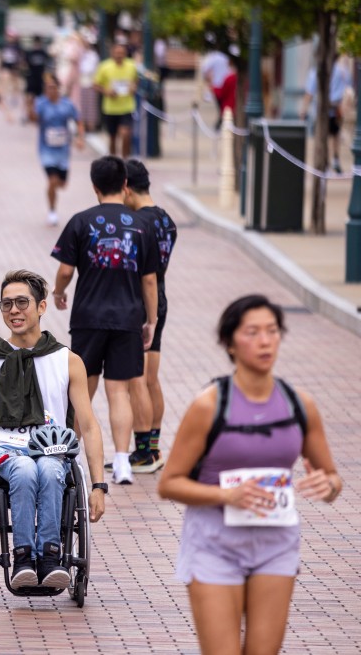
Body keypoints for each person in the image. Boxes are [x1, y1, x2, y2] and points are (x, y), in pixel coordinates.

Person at [158, 295, 341, 655]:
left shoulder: (299, 404)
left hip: (276, 546)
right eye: (253, 332)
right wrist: (226, 496)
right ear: (229, 342)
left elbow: (332, 477)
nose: (264, 341)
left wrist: (329, 485)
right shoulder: (209, 405)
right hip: (214, 545)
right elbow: (169, 483)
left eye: (272, 331)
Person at [0, 270, 106, 589]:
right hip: (2, 450)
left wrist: (99, 485)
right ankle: (23, 557)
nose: (14, 311)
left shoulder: (68, 361)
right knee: (23, 468)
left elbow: (89, 426)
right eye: (6, 304)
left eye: (22, 302)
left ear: (41, 307)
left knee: (50, 469)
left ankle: (50, 556)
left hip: (52, 449)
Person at [50, 155, 159, 485]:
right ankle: (123, 461)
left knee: (82, 389)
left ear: (95, 187)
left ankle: (68, 457)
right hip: (128, 317)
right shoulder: (142, 225)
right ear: (126, 185)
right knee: (119, 392)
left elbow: (66, 269)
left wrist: (58, 291)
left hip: (88, 316)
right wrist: (150, 320)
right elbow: (150, 280)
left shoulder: (81, 222)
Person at [123, 159, 177, 473]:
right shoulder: (166, 220)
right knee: (152, 379)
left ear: (127, 187)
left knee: (137, 381)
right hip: (161, 297)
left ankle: (143, 453)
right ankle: (154, 448)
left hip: (140, 300)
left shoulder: (137, 222)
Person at [29, 73, 85, 226]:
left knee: (62, 184)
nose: (50, 90)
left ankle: (55, 190)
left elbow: (78, 120)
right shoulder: (41, 103)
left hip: (63, 151)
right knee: (52, 181)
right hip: (46, 150)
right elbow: (34, 119)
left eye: (53, 87)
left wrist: (80, 138)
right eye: (48, 88)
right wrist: (30, 108)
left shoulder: (67, 104)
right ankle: (52, 211)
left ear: (59, 88)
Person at [302, 55, 351, 174]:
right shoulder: (342, 71)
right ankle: (335, 160)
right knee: (336, 135)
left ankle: (326, 164)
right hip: (337, 108)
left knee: (324, 137)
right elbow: (349, 90)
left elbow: (309, 93)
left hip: (323, 110)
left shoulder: (317, 71)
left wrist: (303, 110)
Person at [93, 43, 138, 157]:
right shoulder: (104, 66)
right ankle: (114, 162)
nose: (119, 55)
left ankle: (125, 161)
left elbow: (136, 80)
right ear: (112, 53)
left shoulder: (131, 65)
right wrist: (106, 91)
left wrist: (133, 87)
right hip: (110, 108)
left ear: (125, 54)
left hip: (126, 107)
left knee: (125, 134)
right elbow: (95, 85)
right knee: (112, 137)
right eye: (117, 53)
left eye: (121, 53)